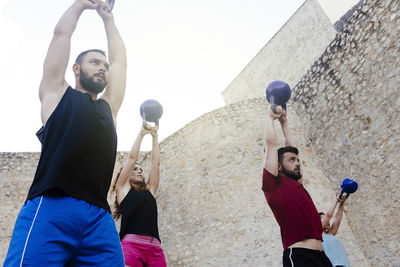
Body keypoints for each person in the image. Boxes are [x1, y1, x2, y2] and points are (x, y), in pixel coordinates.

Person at [4, 0, 127, 266]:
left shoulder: (109, 108)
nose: (102, 68)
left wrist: (108, 20)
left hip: (99, 218)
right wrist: (81, 4)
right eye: (95, 62)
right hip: (53, 205)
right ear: (76, 68)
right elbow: (61, 35)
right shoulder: (55, 94)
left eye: (104, 65)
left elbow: (120, 64)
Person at [262, 105, 332, 267]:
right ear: (279, 166)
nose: (298, 163)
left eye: (298, 160)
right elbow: (271, 145)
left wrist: (285, 124)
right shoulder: (273, 186)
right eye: (291, 160)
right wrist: (270, 118)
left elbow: (293, 149)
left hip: (321, 257)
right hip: (300, 257)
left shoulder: (297, 183)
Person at [112, 124, 166, 267]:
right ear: (127, 172)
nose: (140, 171)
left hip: (155, 248)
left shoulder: (150, 190)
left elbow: (156, 163)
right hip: (131, 247)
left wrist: (155, 137)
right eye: (135, 169)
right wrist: (142, 133)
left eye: (141, 169)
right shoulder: (122, 190)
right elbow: (131, 158)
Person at [319, 196, 351, 267]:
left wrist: (341, 203)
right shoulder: (317, 235)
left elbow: (338, 218)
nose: (328, 221)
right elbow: (328, 216)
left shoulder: (331, 233)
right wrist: (336, 200)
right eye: (324, 219)